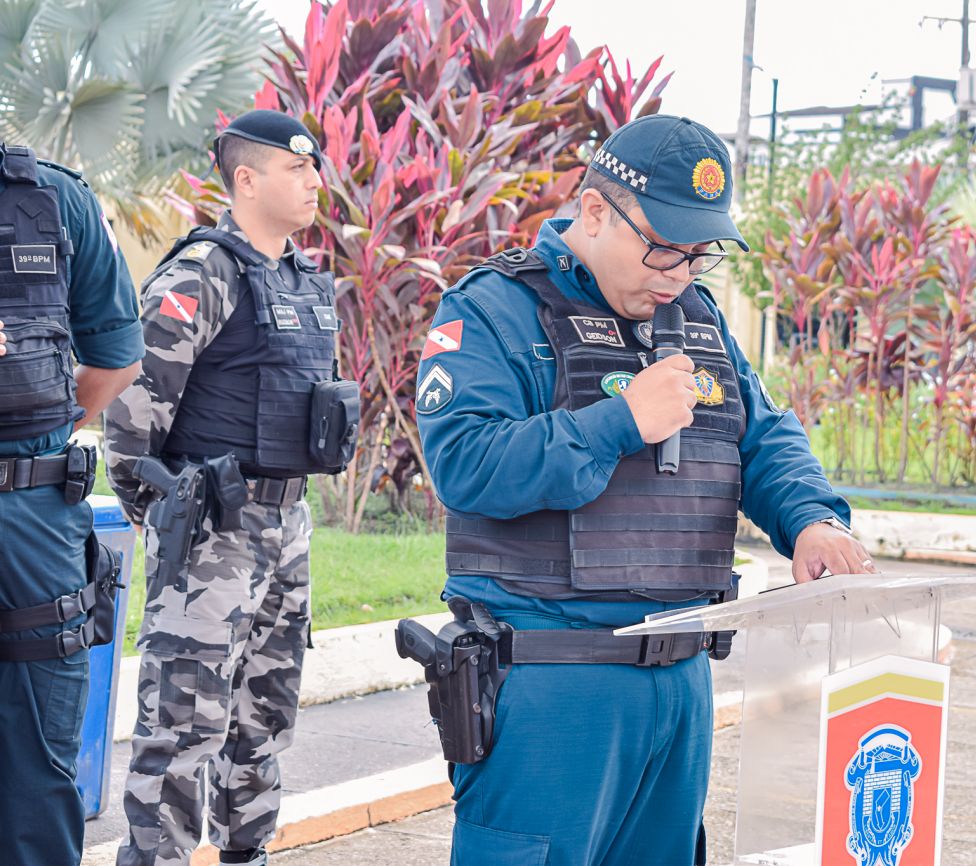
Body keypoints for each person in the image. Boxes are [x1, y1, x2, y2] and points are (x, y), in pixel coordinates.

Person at [414, 114, 872, 866]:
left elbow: (761, 437)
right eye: (662, 247)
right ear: (595, 211)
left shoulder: (697, 318)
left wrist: (813, 519)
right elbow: (465, 463)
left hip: (682, 684)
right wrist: (619, 423)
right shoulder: (494, 308)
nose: (678, 274)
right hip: (554, 682)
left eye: (698, 254)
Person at [105, 110, 358, 866]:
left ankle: (249, 853)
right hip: (214, 534)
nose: (314, 181)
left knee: (263, 725)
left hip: (287, 529)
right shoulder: (201, 274)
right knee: (182, 730)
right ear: (246, 179)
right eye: (296, 168)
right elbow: (130, 416)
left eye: (315, 167)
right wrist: (169, 521)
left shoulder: (303, 280)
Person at [0, 143, 143, 866]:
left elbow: (117, 354)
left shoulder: (58, 200)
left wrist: (45, 438)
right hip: (34, 501)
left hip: (36, 518)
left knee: (41, 759)